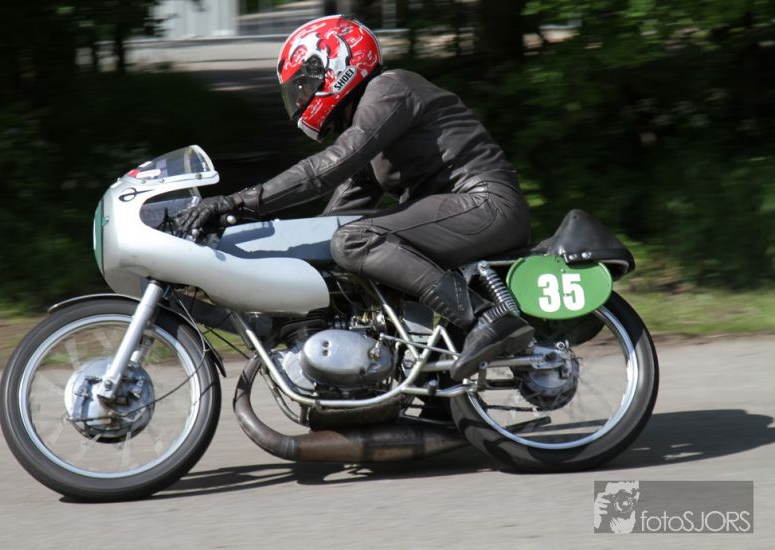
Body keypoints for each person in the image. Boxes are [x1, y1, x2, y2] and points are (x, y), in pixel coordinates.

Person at [177, 15, 534, 381]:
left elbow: (327, 169)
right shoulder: (369, 129)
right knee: (339, 255)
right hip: (458, 217)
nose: (299, 99)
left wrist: (237, 202)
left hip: (486, 204)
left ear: (336, 65)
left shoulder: (391, 88)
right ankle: (421, 393)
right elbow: (327, 225)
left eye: (304, 85)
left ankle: (485, 318)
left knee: (355, 240)